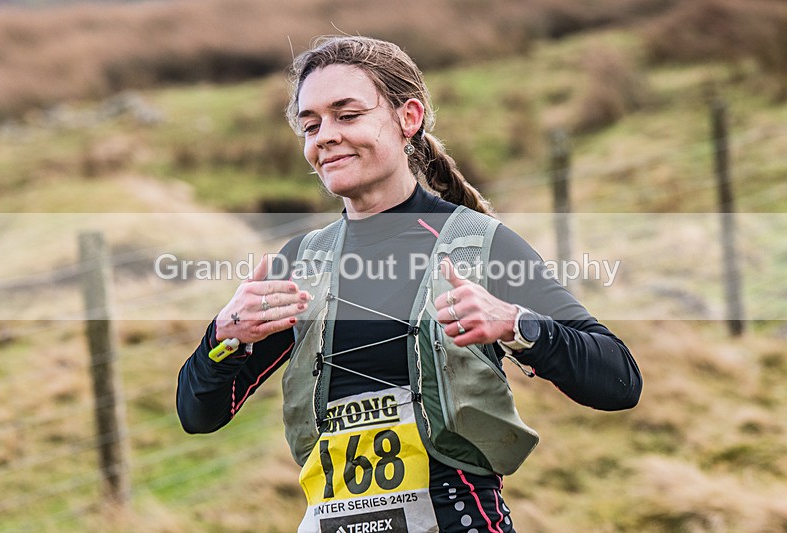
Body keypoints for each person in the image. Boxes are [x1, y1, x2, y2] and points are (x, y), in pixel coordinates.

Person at [177, 35, 642, 533]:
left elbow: (618, 380)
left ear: (408, 117)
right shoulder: (301, 263)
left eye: (347, 115)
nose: (325, 136)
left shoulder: (479, 245)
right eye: (311, 125)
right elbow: (199, 415)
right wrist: (224, 335)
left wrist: (515, 325)